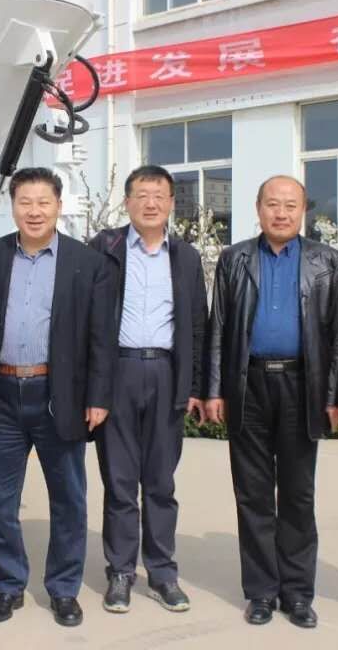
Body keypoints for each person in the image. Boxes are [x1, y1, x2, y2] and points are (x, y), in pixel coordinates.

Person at [0, 167, 115, 628]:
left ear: (58, 206)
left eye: (43, 202)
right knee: (0, 500)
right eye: (25, 202)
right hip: (2, 395)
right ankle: (9, 584)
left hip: (58, 395)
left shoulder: (86, 262)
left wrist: (98, 395)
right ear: (13, 207)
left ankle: (64, 589)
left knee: (68, 499)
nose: (34, 211)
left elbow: (101, 337)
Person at [205, 175, 338, 629]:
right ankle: (261, 592)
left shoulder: (325, 261)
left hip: (301, 387)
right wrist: (214, 389)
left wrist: (333, 397)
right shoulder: (235, 259)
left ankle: (298, 593)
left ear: (303, 211)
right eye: (272, 204)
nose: (280, 213)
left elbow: (337, 336)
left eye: (290, 205)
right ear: (258, 208)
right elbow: (218, 327)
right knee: (253, 495)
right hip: (248, 386)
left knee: (298, 496)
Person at [87, 165, 207, 614]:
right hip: (117, 371)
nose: (150, 203)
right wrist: (92, 390)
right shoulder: (105, 248)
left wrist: (194, 385)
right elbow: (86, 319)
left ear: (172, 202)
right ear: (127, 202)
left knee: (160, 482)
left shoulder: (186, 257)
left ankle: (162, 573)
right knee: (119, 483)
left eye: (159, 195)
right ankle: (120, 572)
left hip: (165, 372)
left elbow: (197, 324)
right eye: (141, 194)